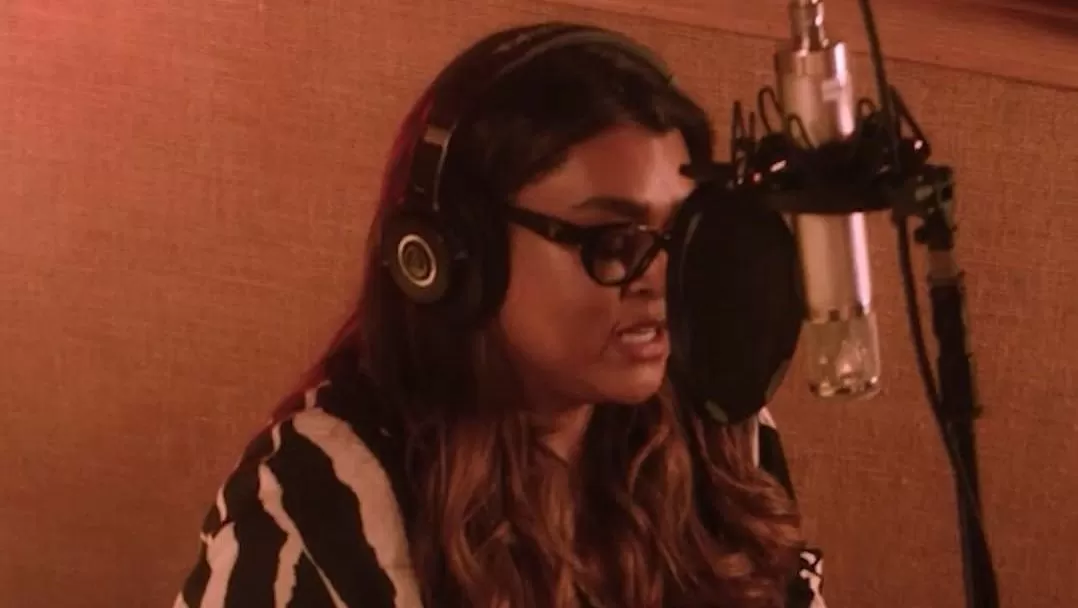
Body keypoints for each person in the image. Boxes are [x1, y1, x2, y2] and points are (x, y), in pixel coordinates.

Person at [173, 21, 827, 608]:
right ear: (459, 252)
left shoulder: (720, 429)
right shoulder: (319, 497)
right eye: (614, 241)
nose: (661, 280)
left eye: (679, 235)